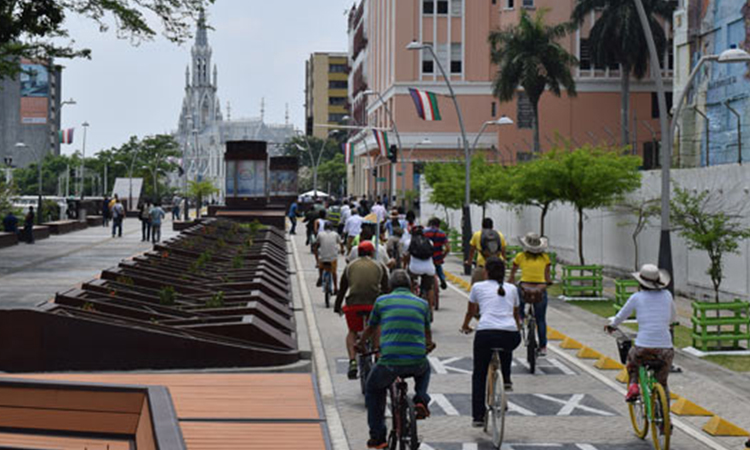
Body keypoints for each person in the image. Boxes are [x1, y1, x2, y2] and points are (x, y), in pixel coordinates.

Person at [357, 269, 434, 449]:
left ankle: (378, 437)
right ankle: (421, 399)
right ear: (410, 286)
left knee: (373, 388)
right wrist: (428, 345)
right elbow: (427, 334)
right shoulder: (422, 304)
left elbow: (371, 328)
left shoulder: (382, 301)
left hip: (389, 362)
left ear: (390, 287)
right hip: (416, 361)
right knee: (425, 367)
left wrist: (361, 343)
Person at [460, 257, 521, 427]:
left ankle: (478, 417)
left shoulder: (478, 287)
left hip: (485, 334)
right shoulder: (512, 289)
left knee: (479, 374)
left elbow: (471, 312)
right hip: (510, 336)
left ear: (486, 271)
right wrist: (517, 327)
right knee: (506, 342)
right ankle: (507, 378)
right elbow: (515, 316)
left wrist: (465, 326)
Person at [606, 264, 676, 402]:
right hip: (665, 350)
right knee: (662, 383)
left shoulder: (636, 297)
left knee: (632, 360)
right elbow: (673, 318)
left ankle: (633, 386)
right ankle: (665, 419)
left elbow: (621, 316)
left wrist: (612, 325)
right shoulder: (667, 295)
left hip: (643, 348)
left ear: (640, 283)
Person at [334, 241, 389, 380]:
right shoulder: (379, 265)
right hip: (373, 305)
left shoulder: (349, 266)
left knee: (352, 331)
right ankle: (377, 354)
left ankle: (352, 361)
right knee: (376, 325)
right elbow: (387, 289)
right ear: (372, 253)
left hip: (354, 305)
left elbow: (342, 290)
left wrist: (337, 306)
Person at [508, 232, 552, 356]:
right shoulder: (545, 258)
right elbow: (547, 276)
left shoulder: (520, 256)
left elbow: (513, 271)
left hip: (524, 287)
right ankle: (543, 347)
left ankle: (520, 317)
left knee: (518, 294)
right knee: (541, 319)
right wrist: (548, 282)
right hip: (540, 289)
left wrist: (511, 279)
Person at [403, 226, 436, 310]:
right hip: (429, 269)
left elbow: (405, 256)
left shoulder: (408, 242)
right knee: (429, 287)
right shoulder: (430, 242)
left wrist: (404, 266)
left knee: (410, 282)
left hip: (414, 268)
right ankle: (430, 309)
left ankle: (410, 301)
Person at [466, 218, 507, 284]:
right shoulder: (499, 235)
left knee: (476, 287)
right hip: (497, 267)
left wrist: (469, 261)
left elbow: (472, 250)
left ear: (482, 226)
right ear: (492, 226)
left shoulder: (477, 234)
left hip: (482, 265)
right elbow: (503, 251)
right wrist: (504, 262)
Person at [424, 217, 450, 290]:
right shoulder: (441, 233)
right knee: (438, 268)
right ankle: (442, 278)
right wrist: (443, 256)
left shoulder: (425, 232)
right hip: (437, 256)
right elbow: (448, 248)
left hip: (427, 256)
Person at [317, 222, 341, 293]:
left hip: (323, 257)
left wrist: (316, 251)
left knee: (320, 267)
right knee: (334, 272)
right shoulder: (335, 234)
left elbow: (316, 244)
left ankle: (320, 277)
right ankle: (336, 288)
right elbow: (340, 243)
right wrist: (342, 249)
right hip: (333, 258)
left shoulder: (320, 234)